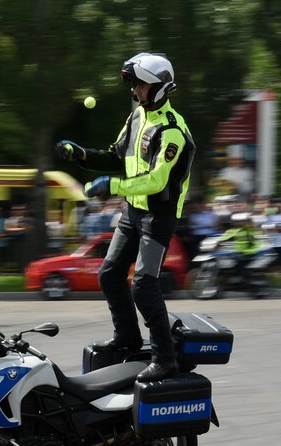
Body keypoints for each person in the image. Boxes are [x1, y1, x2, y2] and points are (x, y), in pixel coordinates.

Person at [55, 52, 195, 382]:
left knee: (144, 286)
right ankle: (128, 338)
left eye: (141, 85)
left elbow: (158, 180)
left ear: (160, 88)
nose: (135, 91)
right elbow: (116, 156)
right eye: (134, 85)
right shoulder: (137, 119)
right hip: (133, 212)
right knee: (109, 274)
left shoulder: (173, 132)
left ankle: (165, 359)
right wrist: (81, 155)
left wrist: (112, 185)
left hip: (159, 216)